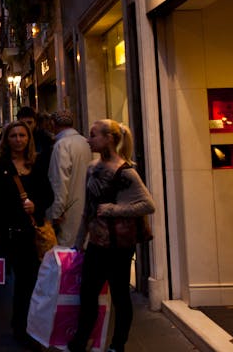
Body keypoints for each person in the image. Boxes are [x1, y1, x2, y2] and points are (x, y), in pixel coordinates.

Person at [67, 120, 155, 352]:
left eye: (94, 135)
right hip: (97, 244)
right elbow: (88, 208)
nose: (89, 139)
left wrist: (114, 210)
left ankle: (118, 345)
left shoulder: (126, 172)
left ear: (109, 139)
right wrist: (79, 242)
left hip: (118, 246)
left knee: (119, 296)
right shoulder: (92, 168)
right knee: (87, 293)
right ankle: (81, 339)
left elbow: (148, 204)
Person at [0, 120, 53, 348]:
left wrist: (37, 205)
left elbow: (48, 194)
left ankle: (23, 325)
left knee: (29, 281)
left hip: (31, 232)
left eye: (22, 135)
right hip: (9, 232)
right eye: (13, 136)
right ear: (7, 140)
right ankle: (21, 325)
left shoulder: (37, 163)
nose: (18, 140)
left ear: (28, 138)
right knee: (21, 280)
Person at [47, 110, 92, 247]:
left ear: (53, 124)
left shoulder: (61, 145)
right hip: (84, 207)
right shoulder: (85, 142)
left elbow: (59, 182)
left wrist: (56, 213)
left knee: (67, 255)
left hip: (68, 211)